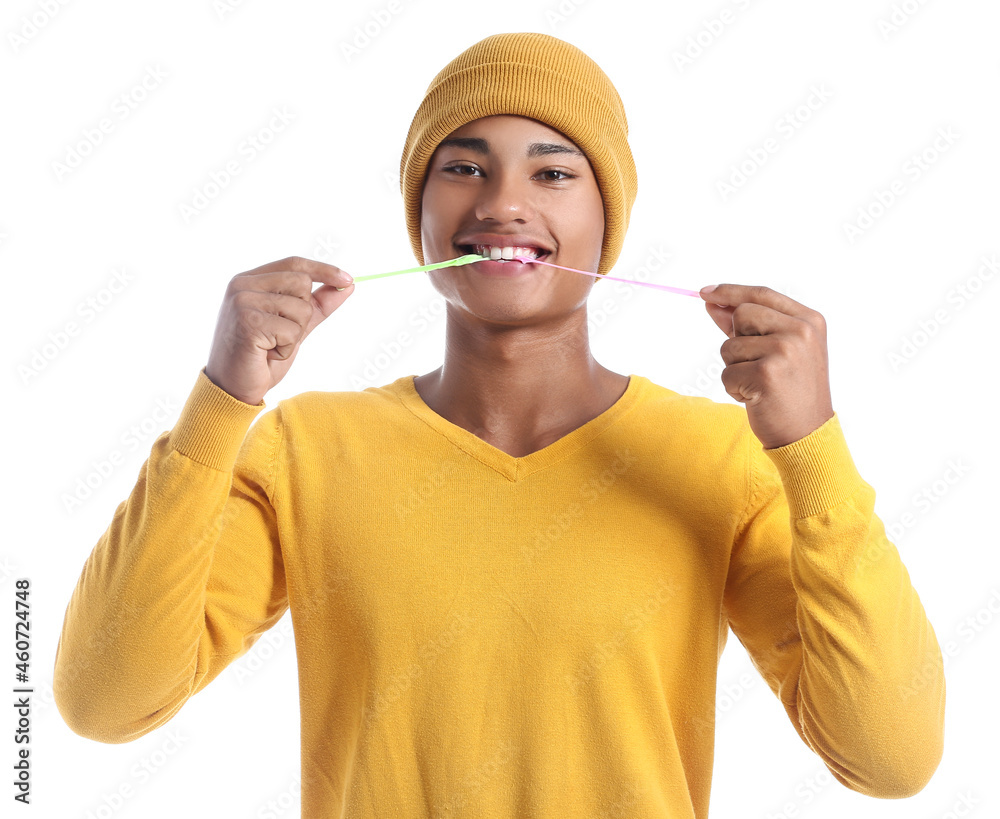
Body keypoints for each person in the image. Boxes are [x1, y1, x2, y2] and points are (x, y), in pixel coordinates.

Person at [54, 31, 945, 818]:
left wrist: (811, 445)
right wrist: (221, 402)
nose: (502, 203)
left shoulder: (719, 461)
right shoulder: (305, 451)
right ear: (422, 217)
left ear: (608, 220)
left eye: (553, 171)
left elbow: (891, 758)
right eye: (464, 166)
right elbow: (104, 699)